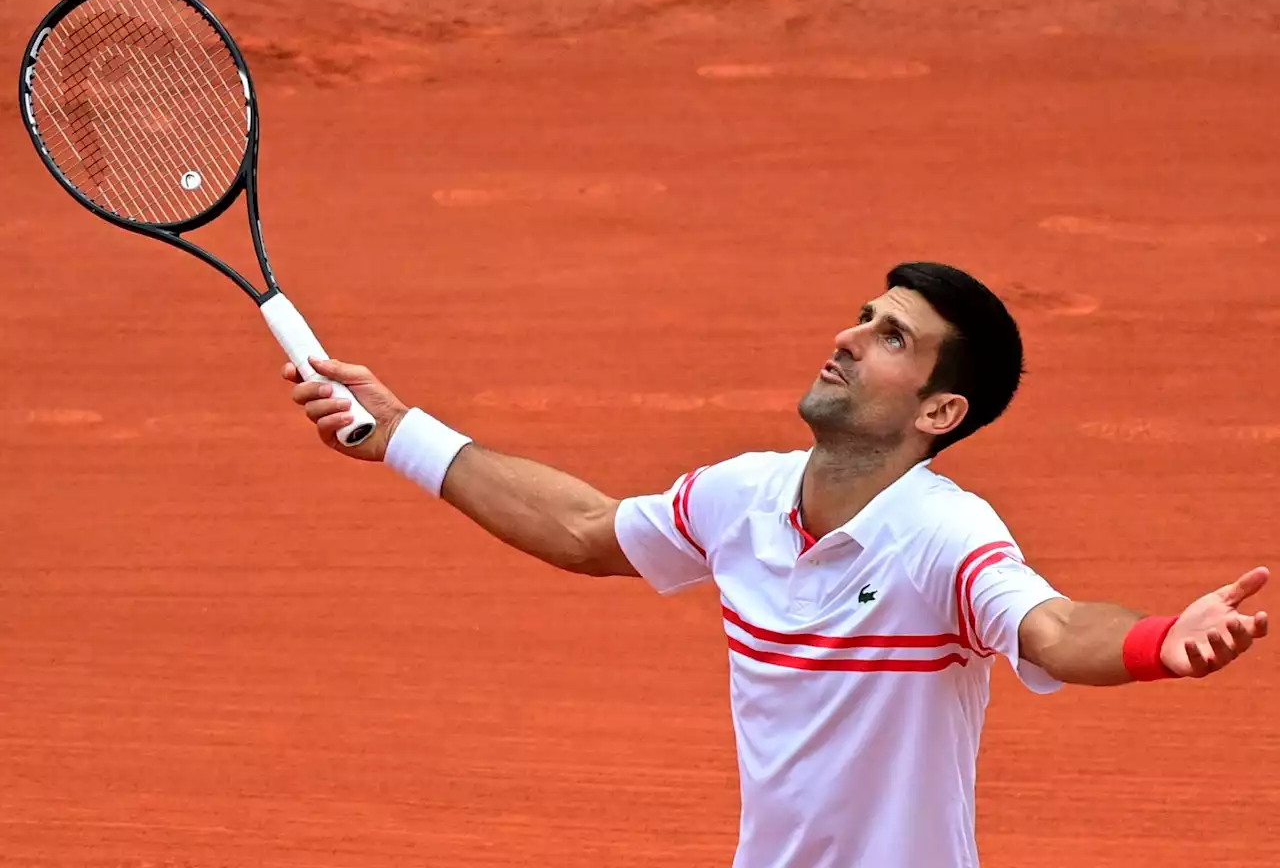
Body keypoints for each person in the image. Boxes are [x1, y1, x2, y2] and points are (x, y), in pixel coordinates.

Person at [281, 261, 1268, 868]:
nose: (845, 338)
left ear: (937, 413)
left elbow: (1049, 627)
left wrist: (1150, 642)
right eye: (862, 316)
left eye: (890, 338)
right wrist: (403, 433)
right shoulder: (740, 496)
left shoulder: (943, 536)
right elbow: (585, 529)